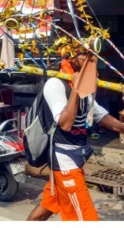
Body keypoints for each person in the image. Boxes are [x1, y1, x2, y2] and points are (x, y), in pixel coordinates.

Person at [27, 52, 124, 221]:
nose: (90, 60)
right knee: (85, 219)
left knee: (47, 206)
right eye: (85, 56)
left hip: (77, 158)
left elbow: (104, 118)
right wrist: (76, 89)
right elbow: (65, 123)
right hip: (64, 162)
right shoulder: (55, 84)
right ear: (71, 57)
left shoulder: (85, 88)